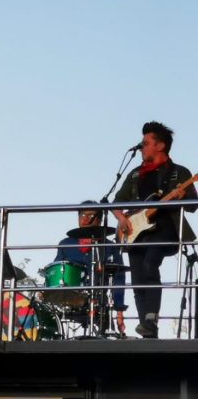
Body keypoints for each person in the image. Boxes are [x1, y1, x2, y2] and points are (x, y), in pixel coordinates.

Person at [113, 122, 197, 338]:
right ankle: (147, 329)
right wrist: (122, 218)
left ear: (160, 146)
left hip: (166, 230)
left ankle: (151, 319)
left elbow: (193, 205)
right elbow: (116, 202)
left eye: (146, 143)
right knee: (138, 278)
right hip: (136, 231)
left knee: (151, 262)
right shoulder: (134, 174)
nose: (141, 148)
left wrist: (183, 196)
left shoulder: (179, 173)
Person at [54, 201, 128, 333]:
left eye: (91, 215)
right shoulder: (65, 244)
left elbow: (119, 279)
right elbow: (56, 270)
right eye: (82, 215)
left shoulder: (110, 247)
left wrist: (119, 311)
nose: (86, 219)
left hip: (100, 300)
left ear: (99, 220)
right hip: (70, 297)